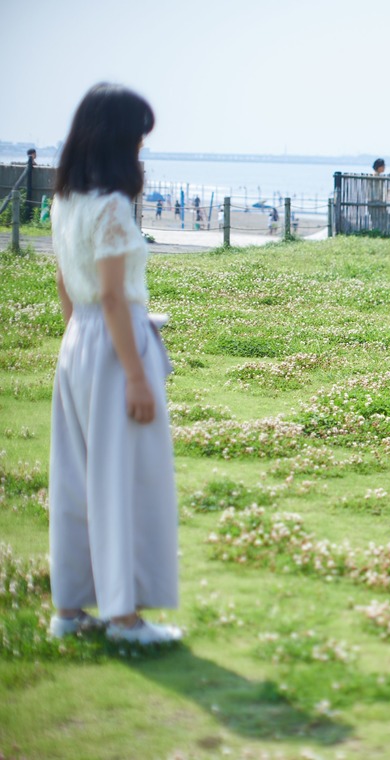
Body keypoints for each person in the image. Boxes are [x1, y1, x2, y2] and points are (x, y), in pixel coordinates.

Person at [47, 83, 181, 645]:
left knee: (77, 478)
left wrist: (78, 338)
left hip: (77, 342)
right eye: (138, 140)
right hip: (113, 345)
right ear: (119, 142)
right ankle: (125, 619)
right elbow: (113, 297)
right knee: (123, 479)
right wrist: (132, 374)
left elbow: (65, 283)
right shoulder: (111, 207)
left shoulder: (65, 201)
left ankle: (71, 610)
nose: (141, 152)